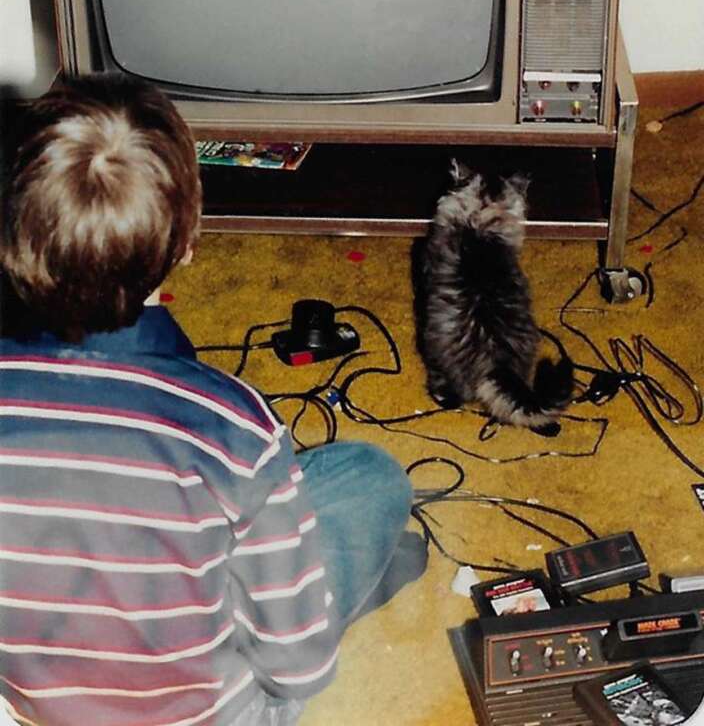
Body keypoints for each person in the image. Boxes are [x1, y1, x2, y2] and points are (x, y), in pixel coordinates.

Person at [0, 74, 427, 726]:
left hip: (34, 705)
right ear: (190, 240)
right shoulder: (234, 427)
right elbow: (297, 671)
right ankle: (362, 564)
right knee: (368, 477)